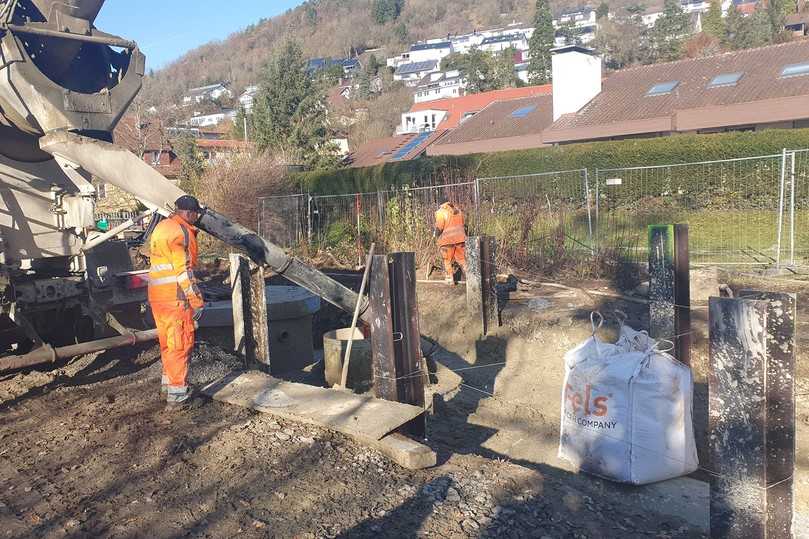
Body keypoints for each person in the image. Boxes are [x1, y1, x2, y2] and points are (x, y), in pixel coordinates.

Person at [148, 195, 205, 408]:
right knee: (180, 345)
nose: (197, 218)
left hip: (158, 298)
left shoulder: (163, 226)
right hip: (176, 299)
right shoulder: (181, 233)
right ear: (189, 213)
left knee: (167, 344)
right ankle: (178, 396)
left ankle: (168, 386)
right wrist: (196, 300)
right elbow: (183, 271)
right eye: (196, 214)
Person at [434, 200, 467, 284]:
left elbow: (439, 226)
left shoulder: (441, 212)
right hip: (460, 239)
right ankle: (470, 278)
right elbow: (463, 224)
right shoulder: (458, 210)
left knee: (447, 260)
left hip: (448, 241)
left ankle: (450, 280)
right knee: (462, 260)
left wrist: (435, 235)